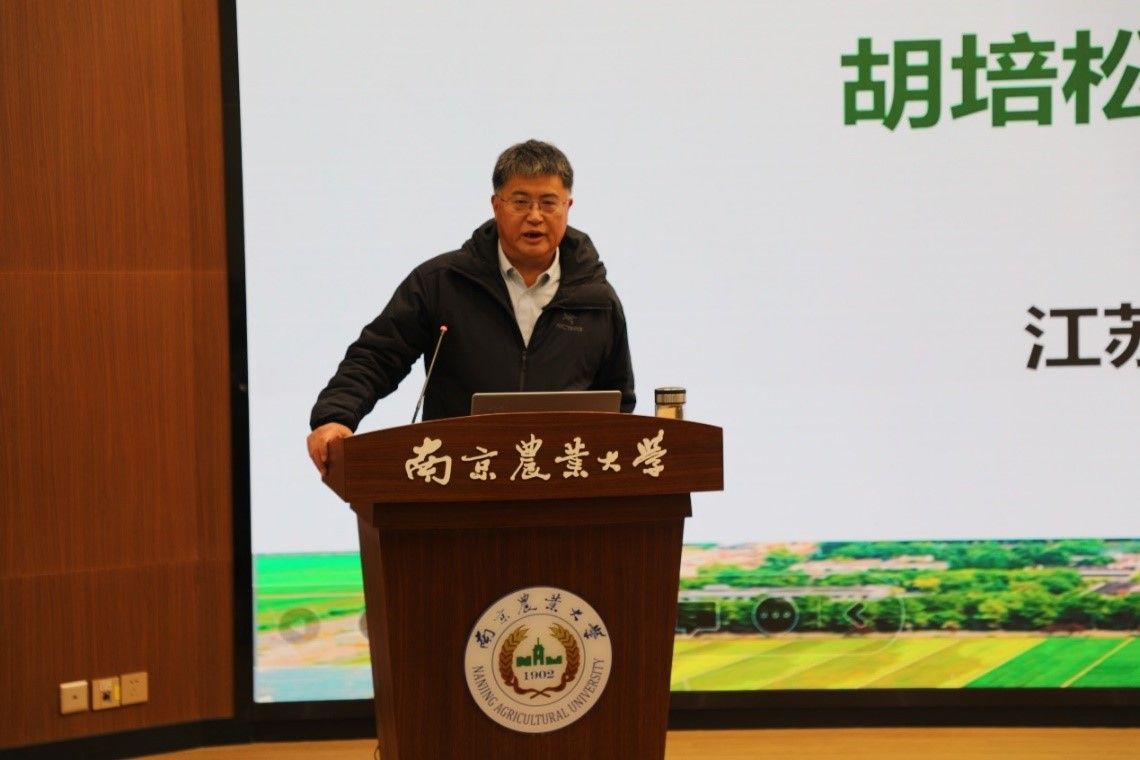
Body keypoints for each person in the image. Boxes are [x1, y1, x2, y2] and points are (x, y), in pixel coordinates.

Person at [306, 140, 635, 475]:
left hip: (560, 481)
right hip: (458, 475)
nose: (535, 216)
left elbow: (619, 401)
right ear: (496, 205)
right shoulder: (442, 283)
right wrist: (336, 416)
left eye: (548, 203)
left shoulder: (596, 300)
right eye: (520, 202)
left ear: (568, 206)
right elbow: (378, 356)